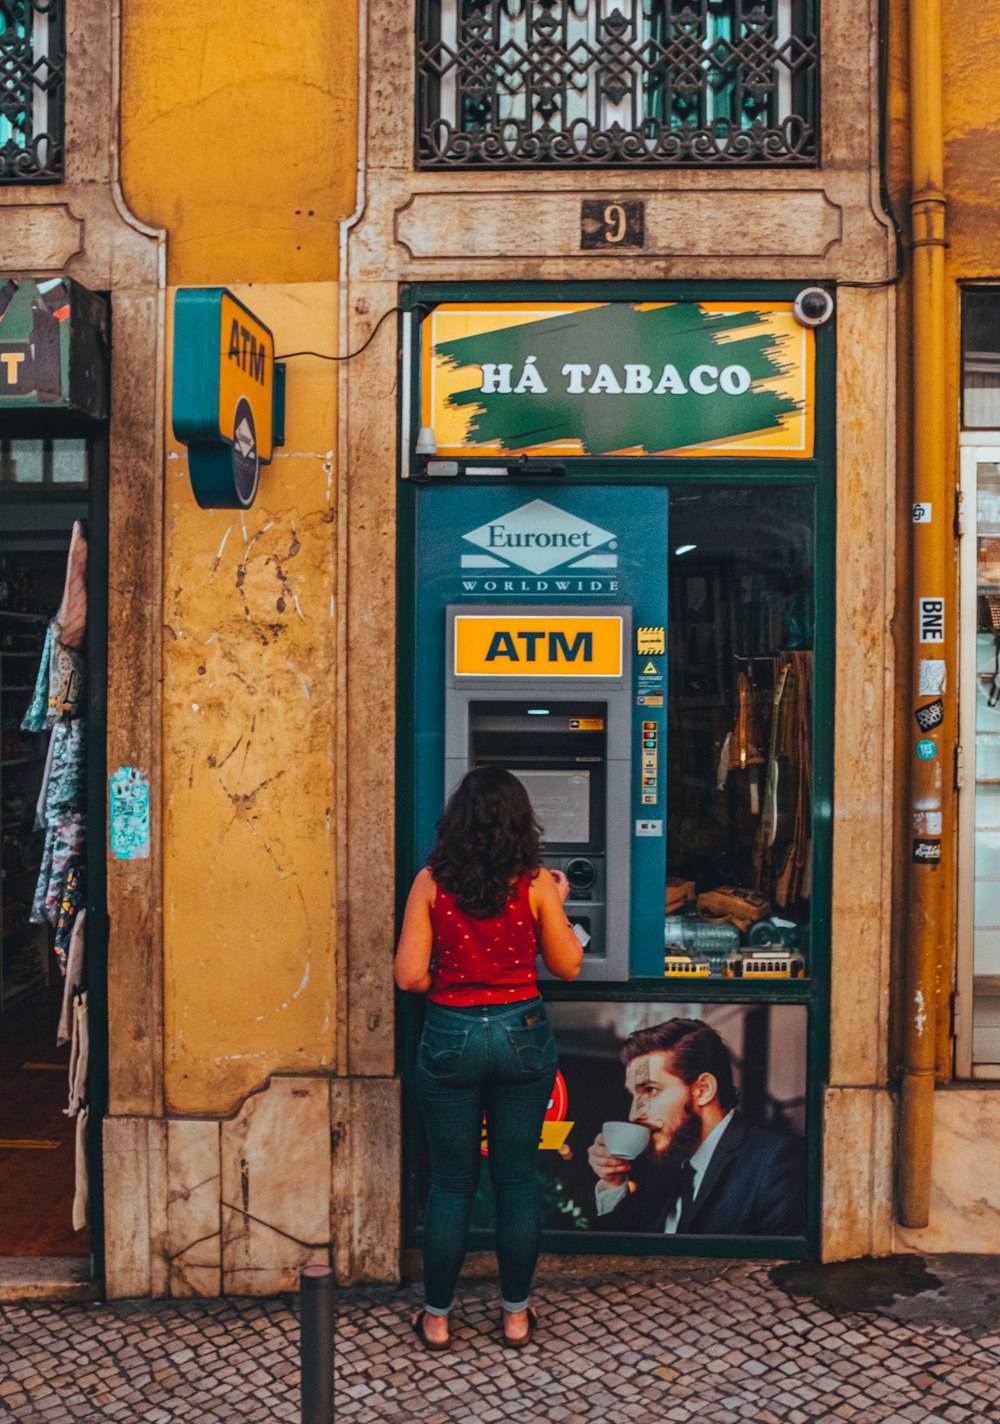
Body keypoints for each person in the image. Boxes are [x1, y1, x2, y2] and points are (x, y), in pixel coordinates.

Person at [394, 765, 583, 1351]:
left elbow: (408, 976)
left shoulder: (431, 883)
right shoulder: (533, 885)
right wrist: (561, 898)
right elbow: (568, 964)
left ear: (457, 824)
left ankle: (438, 1319)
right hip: (520, 1034)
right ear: (519, 824)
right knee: (516, 1182)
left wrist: (454, 979)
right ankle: (517, 1316)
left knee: (451, 1184)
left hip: (451, 1032)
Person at [586, 1017, 804, 1236]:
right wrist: (613, 1183)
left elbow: (783, 1267)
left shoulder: (775, 1160)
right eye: (634, 1095)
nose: (634, 1114)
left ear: (703, 1089)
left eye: (650, 1090)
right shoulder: (666, 1164)